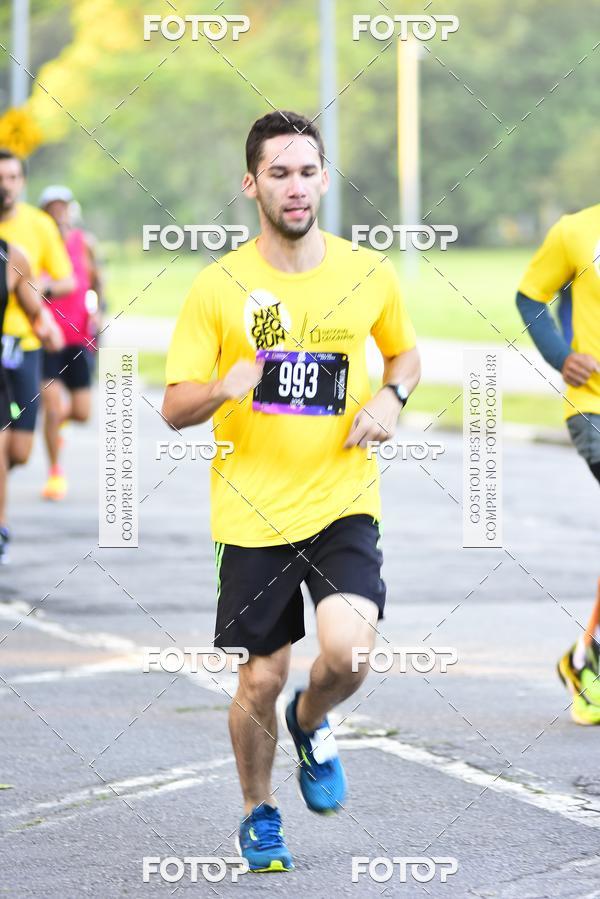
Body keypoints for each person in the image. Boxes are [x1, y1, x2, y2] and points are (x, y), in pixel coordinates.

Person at [163, 110, 420, 872]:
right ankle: (259, 809)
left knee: (348, 653)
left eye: (307, 171)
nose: (296, 185)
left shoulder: (367, 273)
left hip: (343, 497)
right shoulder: (219, 286)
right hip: (251, 508)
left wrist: (390, 402)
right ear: (252, 184)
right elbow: (175, 406)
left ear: (325, 179)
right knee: (262, 673)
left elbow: (405, 356)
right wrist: (222, 385)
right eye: (279, 172)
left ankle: (311, 722)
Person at [516, 204, 600, 725]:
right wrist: (559, 355)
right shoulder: (577, 231)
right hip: (591, 406)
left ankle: (583, 659)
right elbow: (529, 297)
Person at [0, 151, 74, 490]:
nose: (6, 186)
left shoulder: (39, 225)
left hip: (26, 343)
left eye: (12, 178)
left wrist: (37, 288)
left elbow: (67, 280)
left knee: (19, 451)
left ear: (23, 182)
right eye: (0, 178)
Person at [38, 185, 104, 501]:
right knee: (53, 408)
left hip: (80, 338)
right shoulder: (36, 246)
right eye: (52, 207)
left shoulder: (84, 243)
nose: (58, 212)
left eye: (62, 206)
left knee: (80, 412)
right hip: (46, 338)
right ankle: (54, 474)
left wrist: (99, 312)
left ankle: (56, 429)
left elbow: (97, 281)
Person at [0, 239, 63, 561]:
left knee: (20, 451)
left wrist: (47, 328)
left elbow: (33, 307)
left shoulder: (10, 256)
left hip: (10, 360)